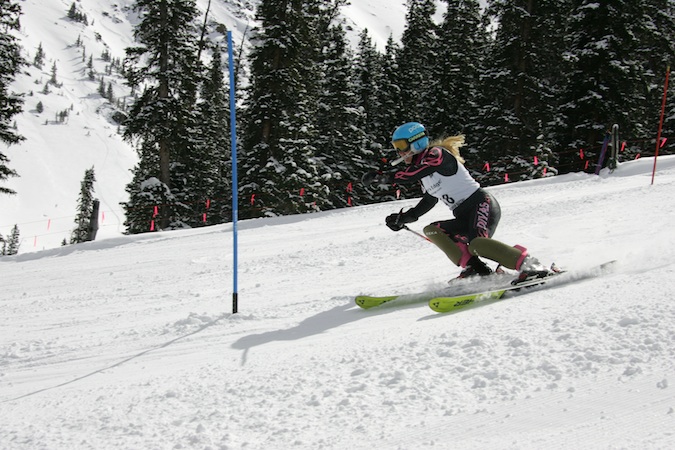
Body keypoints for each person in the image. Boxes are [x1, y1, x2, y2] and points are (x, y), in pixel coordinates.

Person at [365, 121, 551, 282]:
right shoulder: (424, 174)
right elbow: (429, 200)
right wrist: (404, 218)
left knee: (477, 244)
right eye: (395, 146)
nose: (399, 152)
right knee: (432, 230)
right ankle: (476, 269)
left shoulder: (436, 154)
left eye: (401, 145)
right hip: (463, 215)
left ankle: (532, 266)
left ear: (417, 142)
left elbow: (413, 174)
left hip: (481, 204)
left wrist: (384, 178)